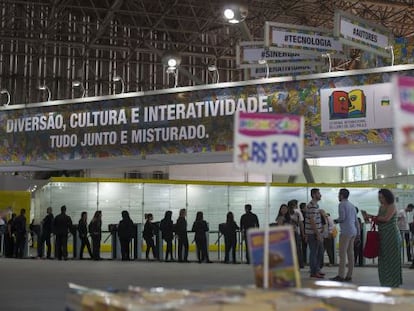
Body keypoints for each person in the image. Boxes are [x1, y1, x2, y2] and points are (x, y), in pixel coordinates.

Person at [363, 188, 402, 287]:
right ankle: (385, 281)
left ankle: (394, 282)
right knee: (383, 259)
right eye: (379, 197)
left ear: (387, 197)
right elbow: (379, 218)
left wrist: (373, 217)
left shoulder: (392, 206)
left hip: (392, 236)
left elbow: (386, 219)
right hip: (383, 235)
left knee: (392, 259)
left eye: (382, 197)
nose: (380, 200)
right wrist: (370, 217)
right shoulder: (381, 207)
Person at [330, 188, 359, 282]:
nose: (338, 196)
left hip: (346, 232)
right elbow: (356, 221)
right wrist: (358, 233)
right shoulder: (352, 205)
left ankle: (341, 275)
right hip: (353, 231)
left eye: (339, 195)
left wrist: (334, 221)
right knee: (350, 254)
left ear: (342, 195)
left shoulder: (341, 204)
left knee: (342, 254)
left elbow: (342, 218)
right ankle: (349, 275)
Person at [304, 188, 324, 278]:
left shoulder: (316, 206)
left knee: (319, 252)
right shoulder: (312, 206)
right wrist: (317, 233)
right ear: (314, 195)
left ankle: (317, 269)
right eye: (318, 193)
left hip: (316, 232)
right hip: (313, 233)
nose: (320, 195)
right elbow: (312, 221)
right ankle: (313, 272)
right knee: (314, 252)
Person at [287, 199, 305, 268]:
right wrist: (303, 233)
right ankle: (298, 264)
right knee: (297, 249)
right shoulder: (298, 212)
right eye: (296, 205)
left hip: (289, 233)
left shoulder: (289, 212)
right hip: (295, 232)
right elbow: (301, 223)